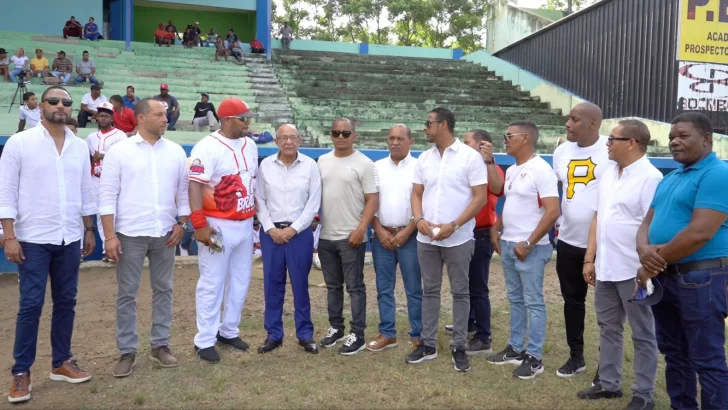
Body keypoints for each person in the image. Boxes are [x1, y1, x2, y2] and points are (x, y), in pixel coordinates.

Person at [0, 86, 96, 403]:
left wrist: (89, 229)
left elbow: (86, 190)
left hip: (69, 236)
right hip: (32, 239)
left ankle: (61, 362)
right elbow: (5, 193)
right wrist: (9, 235)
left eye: (66, 102)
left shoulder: (79, 147)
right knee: (30, 304)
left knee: (67, 300)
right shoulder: (20, 143)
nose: (60, 106)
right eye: (53, 101)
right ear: (40, 105)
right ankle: (21, 372)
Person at [636, 112, 728, 410]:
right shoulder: (670, 178)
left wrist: (651, 262)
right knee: (675, 354)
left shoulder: (718, 174)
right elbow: (645, 225)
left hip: (701, 278)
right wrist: (644, 252)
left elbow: (699, 233)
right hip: (666, 277)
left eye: (683, 136)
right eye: (671, 137)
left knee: (707, 359)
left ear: (706, 139)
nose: (674, 142)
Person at [98, 99, 190, 378]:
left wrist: (182, 223)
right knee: (127, 293)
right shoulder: (119, 152)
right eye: (159, 115)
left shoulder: (175, 152)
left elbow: (183, 192)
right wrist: (110, 236)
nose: (166, 119)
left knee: (164, 289)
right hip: (129, 234)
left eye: (166, 115)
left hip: (165, 233)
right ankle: (127, 350)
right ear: (140, 118)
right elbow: (106, 196)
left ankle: (160, 345)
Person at [576, 120, 662, 410]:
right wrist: (590, 258)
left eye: (612, 139)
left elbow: (653, 226)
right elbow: (599, 218)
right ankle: (609, 384)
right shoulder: (608, 173)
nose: (607, 144)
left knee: (642, 332)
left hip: (634, 270)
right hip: (606, 267)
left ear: (632, 143)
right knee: (607, 327)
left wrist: (647, 270)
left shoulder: (650, 178)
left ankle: (644, 393)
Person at [405, 108, 488, 373]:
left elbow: (480, 198)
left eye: (428, 123)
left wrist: (455, 225)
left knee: (460, 292)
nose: (424, 128)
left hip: (459, 238)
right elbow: (416, 193)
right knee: (429, 290)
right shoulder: (424, 159)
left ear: (443, 125)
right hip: (426, 237)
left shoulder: (469, 157)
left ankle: (459, 346)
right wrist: (419, 220)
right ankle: (428, 345)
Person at [487, 121, 560, 380]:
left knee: (533, 302)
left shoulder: (542, 170)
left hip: (530, 248)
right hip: (509, 243)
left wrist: (529, 243)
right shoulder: (515, 169)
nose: (505, 139)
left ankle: (535, 357)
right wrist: (497, 227)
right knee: (515, 300)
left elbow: (553, 211)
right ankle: (516, 348)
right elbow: (513, 203)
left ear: (526, 138)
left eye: (509, 135)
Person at [189, 98, 258, 364]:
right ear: (228, 119)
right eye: (244, 118)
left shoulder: (250, 144)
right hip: (217, 224)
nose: (248, 123)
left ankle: (228, 330)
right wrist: (199, 224)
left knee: (240, 281)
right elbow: (194, 184)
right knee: (212, 282)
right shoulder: (207, 146)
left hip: (244, 222)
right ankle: (204, 339)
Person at [551, 102, 611, 379]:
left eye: (574, 119)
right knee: (572, 301)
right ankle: (576, 356)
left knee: (606, 307)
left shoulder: (610, 151)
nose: (568, 124)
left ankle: (606, 365)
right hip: (569, 241)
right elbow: (564, 191)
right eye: (568, 118)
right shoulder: (561, 152)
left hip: (603, 243)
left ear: (593, 124)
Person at [255, 124, 321, 355]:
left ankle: (305, 334)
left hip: (299, 235)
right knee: (272, 285)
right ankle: (274, 334)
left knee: (301, 285)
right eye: (283, 138)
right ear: (276, 141)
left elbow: (313, 203)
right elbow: (259, 200)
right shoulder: (265, 166)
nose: (288, 142)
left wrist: (293, 229)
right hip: (271, 234)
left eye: (293, 137)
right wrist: (271, 228)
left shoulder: (310, 166)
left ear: (300, 141)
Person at [317, 118, 379, 355]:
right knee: (333, 286)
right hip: (326, 236)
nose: (340, 137)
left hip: (352, 235)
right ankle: (336, 328)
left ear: (354, 135)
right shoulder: (322, 161)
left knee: (355, 287)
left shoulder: (364, 163)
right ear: (331, 135)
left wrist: (361, 229)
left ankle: (358, 334)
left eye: (345, 133)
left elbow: (373, 200)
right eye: (336, 132)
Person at [367, 124, 422, 353]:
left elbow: (423, 202)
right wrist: (378, 230)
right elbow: (369, 202)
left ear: (411, 141)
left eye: (400, 138)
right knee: (384, 288)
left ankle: (419, 334)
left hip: (410, 236)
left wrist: (407, 230)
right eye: (391, 138)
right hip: (382, 237)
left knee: (414, 289)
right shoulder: (376, 167)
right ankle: (388, 333)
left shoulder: (420, 167)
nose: (395, 142)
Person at [457, 129, 505, 356]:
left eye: (467, 142)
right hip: (463, 232)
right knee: (464, 284)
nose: (463, 145)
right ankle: (468, 322)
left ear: (482, 145)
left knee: (478, 287)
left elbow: (497, 189)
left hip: (481, 233)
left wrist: (489, 160)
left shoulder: (489, 167)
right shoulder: (464, 165)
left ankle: (483, 336)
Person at [86, 102, 126, 261]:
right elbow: (89, 158)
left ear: (111, 117)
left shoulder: (119, 135)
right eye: (100, 115)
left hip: (114, 180)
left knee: (116, 214)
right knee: (101, 214)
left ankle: (118, 249)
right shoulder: (90, 137)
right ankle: (107, 250)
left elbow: (122, 157)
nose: (103, 118)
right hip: (95, 179)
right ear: (96, 117)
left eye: (106, 115)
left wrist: (102, 155)